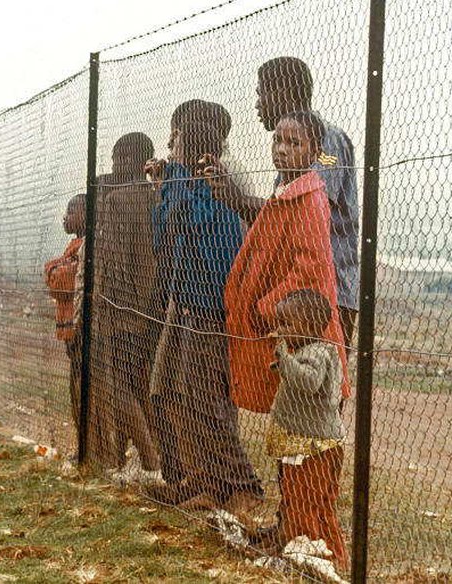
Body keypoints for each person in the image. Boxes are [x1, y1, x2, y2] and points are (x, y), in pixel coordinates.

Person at [144, 118, 264, 514]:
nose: (168, 142)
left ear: (188, 143)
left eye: (174, 136)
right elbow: (161, 233)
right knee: (193, 398)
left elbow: (184, 221)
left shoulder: (213, 179)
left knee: (211, 401)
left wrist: (174, 177)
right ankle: (213, 482)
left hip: (213, 304)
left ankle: (243, 484)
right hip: (191, 300)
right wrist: (164, 187)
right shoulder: (187, 180)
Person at [207, 57, 360, 346]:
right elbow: (281, 220)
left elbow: (300, 216)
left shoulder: (323, 140)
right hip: (295, 294)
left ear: (284, 92)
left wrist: (236, 199)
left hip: (324, 295)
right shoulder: (291, 147)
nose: (257, 104)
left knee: (316, 383)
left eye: (261, 93)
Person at [217, 110, 349, 414]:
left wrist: (268, 307)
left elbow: (311, 266)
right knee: (289, 414)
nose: (282, 149)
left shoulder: (310, 200)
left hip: (301, 324)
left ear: (314, 153)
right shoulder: (286, 195)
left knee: (308, 418)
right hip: (290, 322)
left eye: (294, 143)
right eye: (278, 140)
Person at [93, 133, 164, 485]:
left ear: (128, 160)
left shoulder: (117, 200)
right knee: (140, 384)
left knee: (119, 384)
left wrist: (104, 302)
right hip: (153, 306)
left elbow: (111, 260)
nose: (111, 167)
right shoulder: (157, 195)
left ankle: (150, 462)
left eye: (116, 159)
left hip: (121, 308)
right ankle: (150, 457)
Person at [262, 290, 347, 565]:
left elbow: (309, 382)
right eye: (280, 323)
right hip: (307, 445)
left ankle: (311, 554)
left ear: (311, 325)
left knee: (306, 502)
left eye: (287, 324)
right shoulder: (307, 351)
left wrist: (284, 359)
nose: (281, 330)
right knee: (302, 500)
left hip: (313, 448)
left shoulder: (318, 354)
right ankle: (318, 552)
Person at [43, 194, 87, 429]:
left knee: (79, 383)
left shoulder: (83, 246)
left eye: (71, 211)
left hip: (77, 323)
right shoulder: (74, 245)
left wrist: (53, 269)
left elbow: (59, 278)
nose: (65, 217)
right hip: (69, 323)